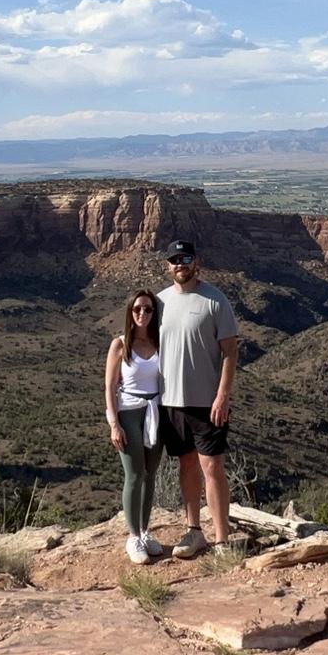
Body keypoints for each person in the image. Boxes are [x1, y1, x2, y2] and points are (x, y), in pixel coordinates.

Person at [157, 239, 239, 558]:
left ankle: (222, 541)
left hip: (207, 401)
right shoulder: (159, 302)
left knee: (212, 467)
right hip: (171, 401)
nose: (180, 264)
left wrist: (223, 395)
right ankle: (194, 531)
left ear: (196, 262)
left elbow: (230, 351)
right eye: (175, 259)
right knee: (187, 464)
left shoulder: (215, 300)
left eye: (186, 258)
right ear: (168, 265)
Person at [104, 288, 166, 565]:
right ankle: (133, 536)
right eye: (138, 308)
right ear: (130, 312)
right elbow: (109, 387)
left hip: (155, 411)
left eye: (148, 309)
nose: (143, 313)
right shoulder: (120, 344)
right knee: (134, 474)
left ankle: (144, 530)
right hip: (129, 412)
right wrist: (114, 424)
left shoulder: (159, 342)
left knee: (150, 474)